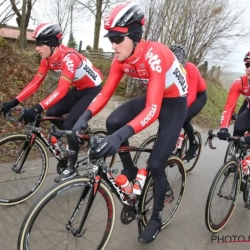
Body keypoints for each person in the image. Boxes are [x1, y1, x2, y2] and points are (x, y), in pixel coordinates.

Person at [71, 2, 188, 244]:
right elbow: (104, 95)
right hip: (154, 96)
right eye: (110, 38)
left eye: (117, 38)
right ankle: (130, 170)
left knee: (156, 164)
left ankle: (155, 217)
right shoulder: (120, 59)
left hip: (174, 104)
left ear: (135, 36)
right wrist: (84, 116)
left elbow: (153, 110)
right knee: (114, 121)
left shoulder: (156, 55)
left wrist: (118, 137)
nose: (112, 45)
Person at [0, 23, 103, 183]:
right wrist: (14, 102)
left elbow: (61, 91)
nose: (36, 48)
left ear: (52, 44)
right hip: (78, 88)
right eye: (36, 44)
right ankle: (78, 137)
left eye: (40, 44)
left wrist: (36, 107)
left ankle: (72, 168)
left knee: (69, 124)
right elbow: (35, 83)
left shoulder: (69, 57)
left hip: (93, 90)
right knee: (52, 113)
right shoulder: (48, 59)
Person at [169, 44, 207, 160]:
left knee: (184, 119)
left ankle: (193, 143)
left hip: (198, 96)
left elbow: (191, 94)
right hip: (181, 95)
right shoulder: (169, 68)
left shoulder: (191, 68)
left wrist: (181, 111)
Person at [217, 51, 250, 140]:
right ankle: (236, 150)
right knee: (238, 128)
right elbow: (229, 106)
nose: (248, 69)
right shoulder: (239, 82)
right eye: (247, 65)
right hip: (248, 105)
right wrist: (223, 128)